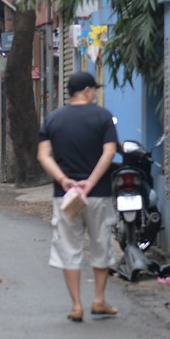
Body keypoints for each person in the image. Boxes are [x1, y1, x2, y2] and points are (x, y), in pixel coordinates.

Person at [36, 71, 119, 323]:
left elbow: (43, 155)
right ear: (86, 91)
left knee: (69, 248)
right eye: (93, 89)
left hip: (65, 196)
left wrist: (63, 179)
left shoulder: (53, 119)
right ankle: (99, 299)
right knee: (100, 243)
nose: (94, 93)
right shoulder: (103, 117)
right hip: (98, 194)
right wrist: (90, 183)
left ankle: (76, 305)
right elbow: (109, 152)